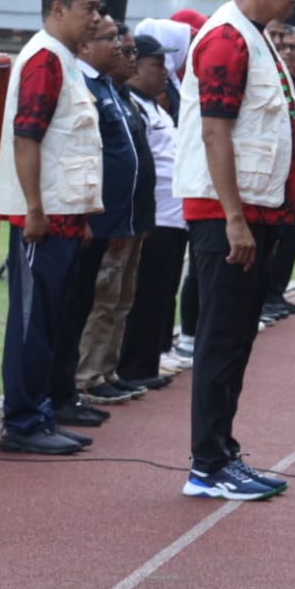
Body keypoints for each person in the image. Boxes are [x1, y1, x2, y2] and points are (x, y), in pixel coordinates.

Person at [176, 0, 295, 501]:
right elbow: (214, 132)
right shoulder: (228, 40)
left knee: (235, 341)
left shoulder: (255, 38)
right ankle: (206, 466)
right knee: (221, 341)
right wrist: (233, 219)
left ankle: (221, 452)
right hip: (228, 216)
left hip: (253, 212)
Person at [0, 0, 104, 455]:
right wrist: (35, 209)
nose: (96, 18)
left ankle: (38, 413)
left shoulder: (64, 59)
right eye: (89, 8)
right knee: (31, 324)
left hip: (62, 216)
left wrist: (76, 217)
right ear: (58, 9)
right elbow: (26, 138)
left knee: (48, 322)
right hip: (41, 220)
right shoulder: (44, 60)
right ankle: (22, 422)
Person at [75, 22, 157, 405]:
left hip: (130, 217)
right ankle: (86, 375)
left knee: (121, 300)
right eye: (121, 49)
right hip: (107, 218)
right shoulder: (91, 89)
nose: (129, 58)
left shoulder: (116, 92)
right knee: (102, 300)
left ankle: (107, 369)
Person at [116, 33, 193, 383]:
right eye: (156, 63)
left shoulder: (153, 105)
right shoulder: (132, 104)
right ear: (136, 69)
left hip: (172, 217)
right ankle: (133, 368)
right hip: (155, 217)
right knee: (145, 298)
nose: (164, 70)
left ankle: (146, 364)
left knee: (160, 296)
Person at [264, 26, 295, 323]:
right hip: (285, 180)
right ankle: (267, 295)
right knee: (277, 241)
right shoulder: (282, 86)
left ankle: (277, 293)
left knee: (291, 241)